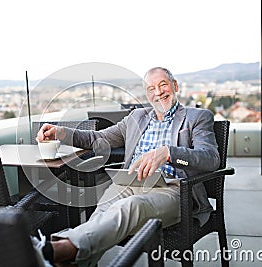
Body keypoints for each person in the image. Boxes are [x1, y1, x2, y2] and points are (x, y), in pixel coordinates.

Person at [36, 67, 220, 266]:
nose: (158, 92)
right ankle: (63, 257)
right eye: (151, 89)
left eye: (163, 85)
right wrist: (61, 133)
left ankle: (54, 250)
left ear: (174, 86)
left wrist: (169, 153)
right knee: (100, 217)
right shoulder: (136, 117)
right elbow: (98, 138)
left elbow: (211, 159)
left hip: (173, 190)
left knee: (128, 207)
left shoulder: (197, 117)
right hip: (128, 183)